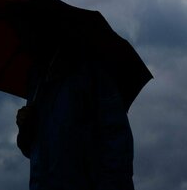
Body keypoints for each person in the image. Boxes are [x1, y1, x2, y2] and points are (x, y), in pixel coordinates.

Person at [15, 47, 135, 190]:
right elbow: (35, 150)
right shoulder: (37, 79)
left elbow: (116, 142)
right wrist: (26, 130)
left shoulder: (92, 71)